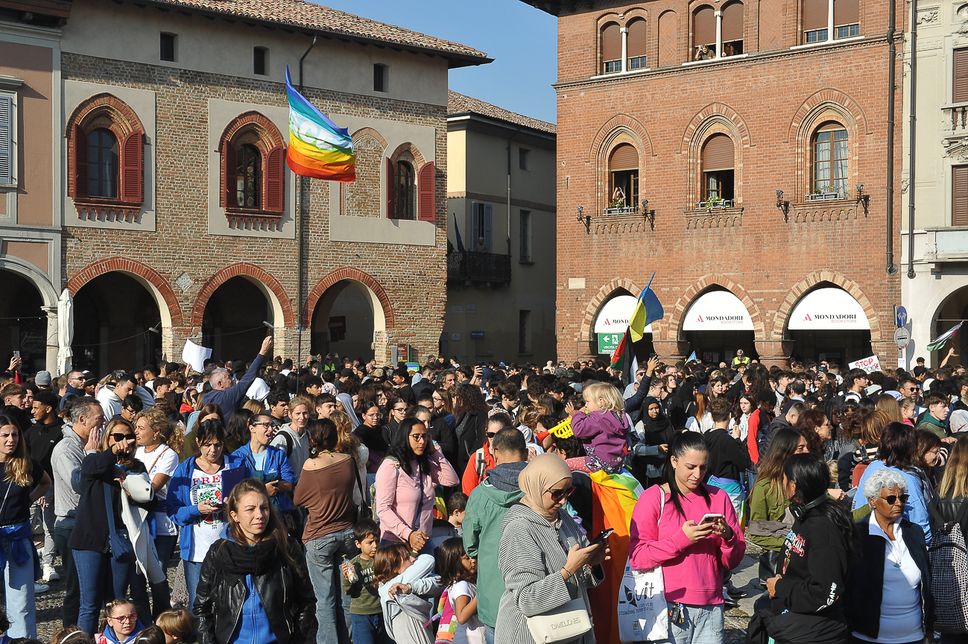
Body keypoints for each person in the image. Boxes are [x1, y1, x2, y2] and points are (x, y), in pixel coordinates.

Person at [629, 431, 746, 644]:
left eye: (703, 467)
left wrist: (728, 536)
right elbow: (638, 556)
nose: (697, 474)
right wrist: (682, 539)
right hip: (667, 606)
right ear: (674, 461)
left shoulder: (719, 497)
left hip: (711, 606)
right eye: (690, 467)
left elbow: (733, 560)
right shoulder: (653, 498)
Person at [194, 478, 317, 643]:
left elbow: (306, 602)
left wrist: (298, 639)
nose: (259, 515)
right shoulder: (219, 552)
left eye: (264, 508)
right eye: (250, 509)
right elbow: (202, 608)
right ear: (234, 515)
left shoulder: (286, 548)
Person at [757, 454, 852, 644]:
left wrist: (781, 587)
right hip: (795, 622)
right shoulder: (804, 515)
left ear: (793, 485)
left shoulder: (823, 527)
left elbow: (824, 591)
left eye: (783, 479)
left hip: (814, 631)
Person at [70, 419, 152, 636]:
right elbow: (89, 469)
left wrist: (127, 485)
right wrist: (106, 453)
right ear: (107, 439)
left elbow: (147, 498)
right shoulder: (96, 463)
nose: (122, 442)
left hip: (120, 540)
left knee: (116, 602)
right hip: (89, 540)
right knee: (89, 604)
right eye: (117, 437)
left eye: (127, 436)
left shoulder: (136, 467)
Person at [166, 419, 249, 608]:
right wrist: (196, 509)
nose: (213, 450)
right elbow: (173, 510)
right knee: (198, 604)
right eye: (207, 445)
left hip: (230, 544)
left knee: (231, 601)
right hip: (196, 550)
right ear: (198, 442)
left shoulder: (236, 465)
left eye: (218, 444)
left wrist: (234, 504)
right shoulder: (186, 469)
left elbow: (251, 498)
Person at [847, 468, 932, 644]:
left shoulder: (914, 532)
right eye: (891, 499)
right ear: (872, 502)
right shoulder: (858, 535)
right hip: (868, 637)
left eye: (903, 498)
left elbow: (926, 583)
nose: (899, 503)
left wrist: (928, 630)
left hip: (914, 636)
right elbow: (849, 586)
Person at [293, 418, 358, 643]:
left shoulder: (311, 465)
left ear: (313, 438)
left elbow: (298, 498)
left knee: (325, 599)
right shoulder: (347, 460)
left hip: (319, 535)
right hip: (348, 534)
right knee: (348, 593)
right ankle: (349, 638)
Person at [462, 427, 528, 644]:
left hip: (494, 592)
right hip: (534, 590)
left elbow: (470, 545)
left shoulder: (480, 494)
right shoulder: (538, 489)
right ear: (526, 454)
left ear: (495, 453)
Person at [51, 397, 104, 627]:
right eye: (99, 420)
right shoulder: (66, 449)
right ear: (82, 420)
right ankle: (70, 634)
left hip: (91, 522)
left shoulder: (89, 444)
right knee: (77, 588)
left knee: (94, 588)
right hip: (71, 524)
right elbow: (80, 483)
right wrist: (93, 456)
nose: (102, 425)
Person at [0, 414, 51, 638]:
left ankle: (22, 641)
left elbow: (45, 482)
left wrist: (28, 500)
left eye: (14, 434)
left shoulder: (25, 463)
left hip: (18, 537)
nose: (11, 439)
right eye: (5, 435)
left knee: (21, 600)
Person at [374, 417, 458, 552]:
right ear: (405, 437)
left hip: (424, 541)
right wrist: (408, 534)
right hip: (396, 542)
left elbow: (452, 480)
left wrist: (435, 452)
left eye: (425, 437)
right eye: (416, 437)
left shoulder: (425, 464)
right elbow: (383, 509)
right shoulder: (391, 466)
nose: (422, 442)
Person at [131, 408, 181, 621]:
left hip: (161, 522)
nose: (136, 432)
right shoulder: (136, 451)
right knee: (138, 575)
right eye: (136, 427)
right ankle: (142, 620)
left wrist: (129, 485)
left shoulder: (169, 454)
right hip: (138, 519)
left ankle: (161, 620)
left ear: (157, 432)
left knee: (158, 572)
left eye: (141, 428)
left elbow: (153, 486)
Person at [853, 422, 933, 544]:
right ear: (910, 448)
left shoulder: (871, 467)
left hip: (866, 538)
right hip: (898, 544)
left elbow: (858, 506)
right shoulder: (908, 478)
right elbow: (920, 523)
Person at [747, 427, 808, 584]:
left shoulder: (806, 481)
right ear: (785, 452)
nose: (807, 452)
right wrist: (792, 543)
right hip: (779, 568)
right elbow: (755, 532)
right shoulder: (764, 487)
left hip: (808, 565)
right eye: (801, 448)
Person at [375, 544, 440, 644]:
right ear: (395, 567)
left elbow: (440, 582)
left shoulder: (409, 582)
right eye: (406, 557)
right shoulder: (389, 589)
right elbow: (428, 559)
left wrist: (411, 587)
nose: (413, 559)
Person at [340, 519, 388, 644]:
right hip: (361, 615)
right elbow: (348, 591)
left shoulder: (382, 559)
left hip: (382, 611)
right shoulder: (354, 564)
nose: (375, 546)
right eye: (370, 542)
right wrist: (346, 577)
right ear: (358, 544)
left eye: (377, 541)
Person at [202, 336, 273, 420]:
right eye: (228, 378)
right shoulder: (227, 396)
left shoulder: (206, 397)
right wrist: (263, 352)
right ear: (220, 383)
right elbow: (248, 378)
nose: (232, 380)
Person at [566, 382, 629, 473]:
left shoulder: (598, 417)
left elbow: (578, 430)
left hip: (598, 462)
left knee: (565, 464)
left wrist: (577, 415)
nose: (586, 405)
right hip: (615, 464)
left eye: (587, 401)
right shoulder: (619, 416)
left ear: (601, 402)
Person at [436, 537, 485, 644]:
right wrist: (483, 592)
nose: (473, 560)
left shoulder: (461, 583)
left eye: (473, 556)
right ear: (454, 563)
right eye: (467, 558)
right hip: (473, 639)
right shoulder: (462, 585)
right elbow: (462, 616)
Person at [272, 395, 312, 479]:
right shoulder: (282, 438)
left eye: (305, 413)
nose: (302, 417)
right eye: (298, 413)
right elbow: (273, 466)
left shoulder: (307, 434)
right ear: (290, 415)